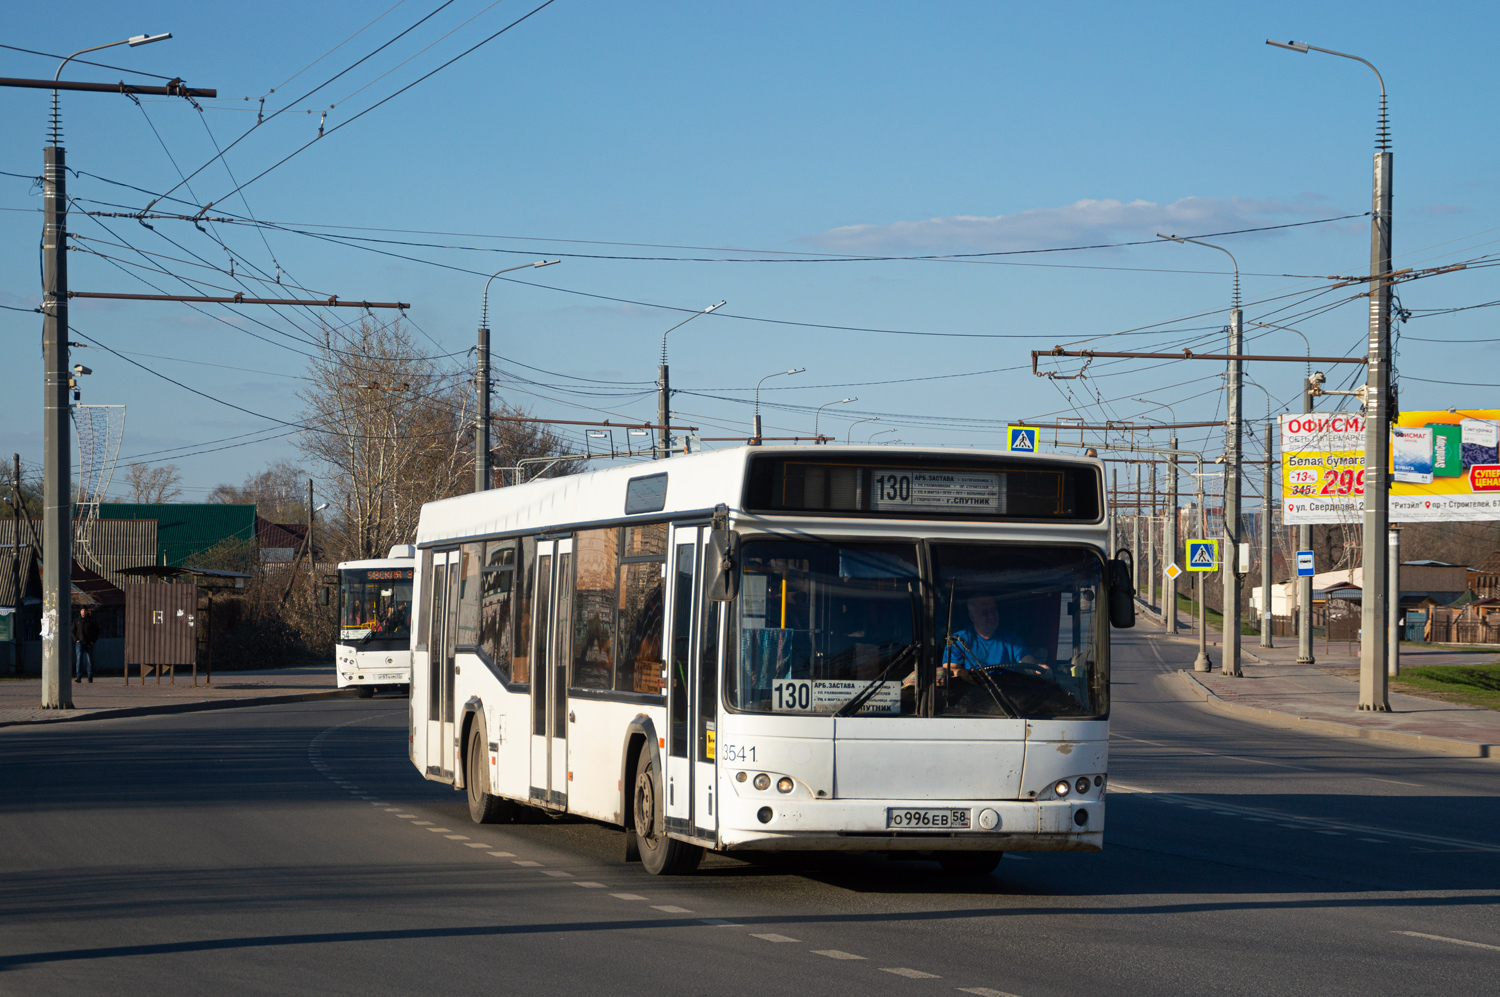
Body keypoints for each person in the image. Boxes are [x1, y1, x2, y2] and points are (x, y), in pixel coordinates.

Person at [942, 594, 1041, 674]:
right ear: (972, 617)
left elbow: (1026, 660)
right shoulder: (958, 640)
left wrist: (1038, 667)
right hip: (973, 694)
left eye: (993, 610)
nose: (991, 616)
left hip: (1007, 693)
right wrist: (966, 674)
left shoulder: (1011, 639)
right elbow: (950, 670)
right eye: (985, 612)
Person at [73, 606, 99, 684]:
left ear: (87, 611)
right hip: (79, 643)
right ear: (80, 611)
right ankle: (79, 676)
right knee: (79, 659)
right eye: (82, 610)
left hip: (89, 642)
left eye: (85, 610)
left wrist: (93, 641)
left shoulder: (92, 620)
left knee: (89, 660)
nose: (83, 612)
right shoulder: (77, 620)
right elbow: (73, 631)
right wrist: (76, 640)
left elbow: (97, 631)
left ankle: (90, 676)